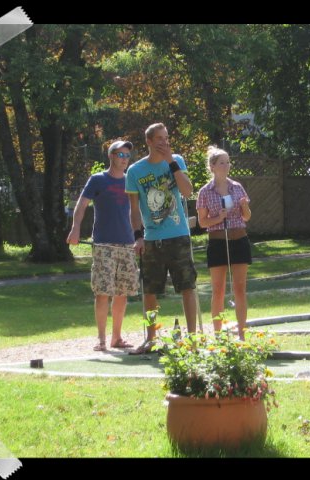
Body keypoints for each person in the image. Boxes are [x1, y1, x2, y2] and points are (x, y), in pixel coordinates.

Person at [125, 123, 197, 354]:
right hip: (152, 239)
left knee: (187, 287)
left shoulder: (177, 161)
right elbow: (134, 209)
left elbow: (187, 191)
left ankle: (192, 340)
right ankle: (151, 338)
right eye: (159, 139)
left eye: (166, 138)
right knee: (149, 290)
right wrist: (138, 237)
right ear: (149, 141)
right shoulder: (135, 171)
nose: (164, 142)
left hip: (179, 235)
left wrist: (171, 162)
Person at [66, 140, 139, 351]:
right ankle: (101, 339)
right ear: (111, 156)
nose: (124, 159)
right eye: (120, 155)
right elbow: (81, 205)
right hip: (103, 245)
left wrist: (141, 236)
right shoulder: (98, 179)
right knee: (102, 292)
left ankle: (117, 338)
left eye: (127, 156)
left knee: (122, 293)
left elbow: (138, 211)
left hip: (127, 244)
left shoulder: (131, 181)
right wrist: (75, 229)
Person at [196, 146, 252, 340]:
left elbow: (246, 217)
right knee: (218, 290)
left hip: (239, 239)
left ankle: (242, 334)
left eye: (228, 162)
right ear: (212, 166)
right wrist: (218, 218)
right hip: (218, 241)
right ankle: (219, 336)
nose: (226, 166)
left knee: (239, 288)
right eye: (222, 163)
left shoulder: (237, 187)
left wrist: (244, 206)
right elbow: (203, 222)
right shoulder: (205, 192)